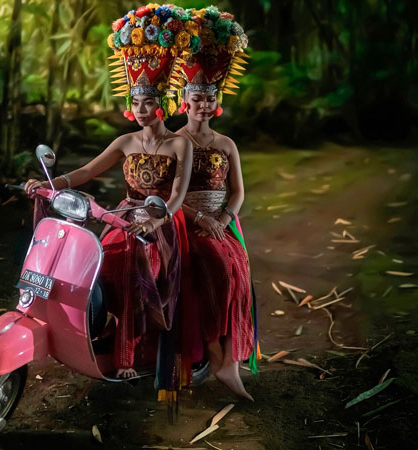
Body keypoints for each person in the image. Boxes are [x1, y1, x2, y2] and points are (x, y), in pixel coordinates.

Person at [24, 4, 196, 380]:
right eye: (135, 102)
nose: (141, 108)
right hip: (123, 215)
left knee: (137, 270)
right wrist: (48, 184)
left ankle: (127, 358)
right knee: (98, 265)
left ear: (164, 103)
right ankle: (95, 330)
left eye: (148, 101)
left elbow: (179, 193)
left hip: (160, 220)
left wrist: (156, 218)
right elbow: (87, 171)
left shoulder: (180, 145)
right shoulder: (125, 141)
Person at [173, 6, 259, 401]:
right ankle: (212, 352)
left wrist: (224, 218)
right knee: (218, 273)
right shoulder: (175, 142)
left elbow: (238, 191)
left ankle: (231, 361)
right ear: (183, 99)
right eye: (196, 97)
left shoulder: (226, 144)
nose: (203, 105)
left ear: (216, 99)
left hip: (223, 222)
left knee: (239, 272)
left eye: (209, 97)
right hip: (186, 221)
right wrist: (199, 217)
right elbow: (163, 192)